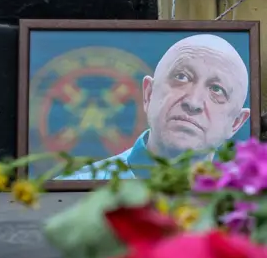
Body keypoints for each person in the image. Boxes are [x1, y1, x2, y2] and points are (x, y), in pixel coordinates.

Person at [56, 34, 250, 180]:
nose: (193, 103)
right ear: (148, 94)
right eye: (181, 77)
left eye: (217, 90)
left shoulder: (250, 209)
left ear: (236, 123)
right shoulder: (70, 192)